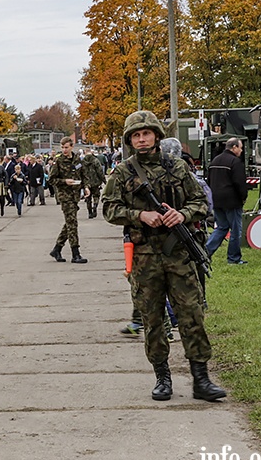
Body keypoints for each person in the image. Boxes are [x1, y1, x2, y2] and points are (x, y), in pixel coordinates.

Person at [102, 110, 226, 402]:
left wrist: (180, 214)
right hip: (145, 256)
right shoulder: (122, 172)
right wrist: (139, 215)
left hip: (179, 254)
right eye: (136, 135)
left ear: (156, 135)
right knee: (153, 319)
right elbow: (109, 209)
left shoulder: (178, 167)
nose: (142, 139)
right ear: (130, 141)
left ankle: (201, 379)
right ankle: (162, 377)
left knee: (192, 314)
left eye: (146, 133)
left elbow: (201, 203)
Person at [204, 137, 248, 265]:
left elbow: (209, 181)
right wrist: (243, 198)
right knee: (235, 230)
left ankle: (206, 252)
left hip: (216, 200)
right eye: (240, 147)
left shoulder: (215, 160)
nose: (241, 150)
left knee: (221, 227)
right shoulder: (235, 162)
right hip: (232, 201)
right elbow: (239, 183)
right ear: (234, 147)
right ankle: (233, 258)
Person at [48, 137, 89, 263]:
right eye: (62, 147)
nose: (64, 150)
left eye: (66, 147)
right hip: (65, 196)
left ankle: (57, 249)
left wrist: (86, 187)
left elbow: (83, 174)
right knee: (72, 224)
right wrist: (65, 181)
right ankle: (75, 253)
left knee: (70, 223)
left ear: (72, 146)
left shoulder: (77, 159)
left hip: (75, 195)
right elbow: (51, 179)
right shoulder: (58, 161)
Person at [82, 148, 106, 219]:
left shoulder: (82, 161)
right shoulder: (95, 160)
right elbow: (100, 172)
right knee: (96, 196)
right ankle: (95, 207)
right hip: (95, 182)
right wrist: (104, 181)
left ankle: (89, 212)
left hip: (86, 183)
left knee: (88, 198)